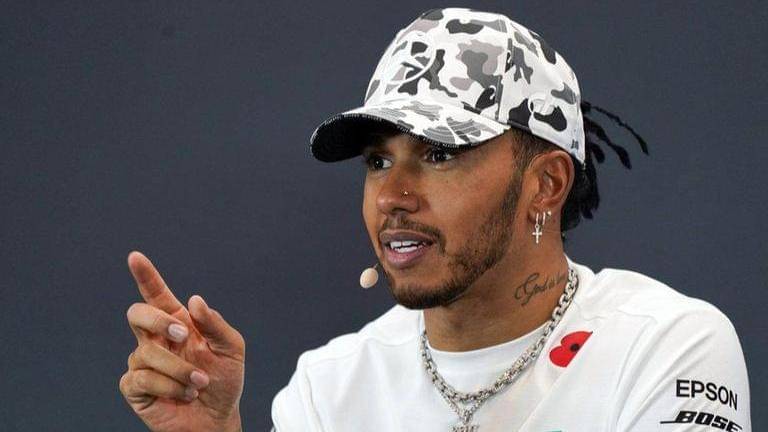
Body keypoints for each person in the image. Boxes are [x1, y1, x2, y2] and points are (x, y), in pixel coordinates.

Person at [118, 7, 751, 431]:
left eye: (440, 154)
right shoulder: (329, 386)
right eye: (377, 161)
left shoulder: (664, 346)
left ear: (546, 184)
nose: (391, 195)